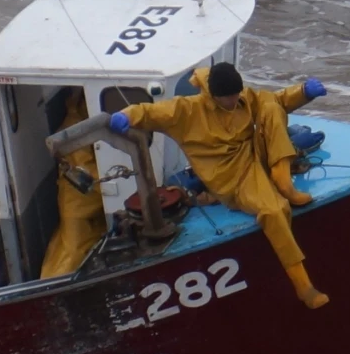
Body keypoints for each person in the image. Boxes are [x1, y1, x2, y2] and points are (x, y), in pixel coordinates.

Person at [104, 61, 330, 308]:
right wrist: (125, 115)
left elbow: (278, 99)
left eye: (236, 95)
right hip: (233, 178)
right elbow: (149, 112)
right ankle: (303, 286)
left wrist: (304, 92)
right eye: (227, 97)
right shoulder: (186, 111)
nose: (233, 101)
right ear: (213, 95)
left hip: (256, 156)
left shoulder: (243, 98)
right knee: (274, 211)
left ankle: (283, 180)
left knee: (271, 106)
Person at [38, 87, 105, 279]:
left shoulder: (86, 122)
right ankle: (53, 286)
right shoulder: (74, 129)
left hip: (92, 204)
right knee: (73, 251)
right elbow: (90, 172)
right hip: (79, 204)